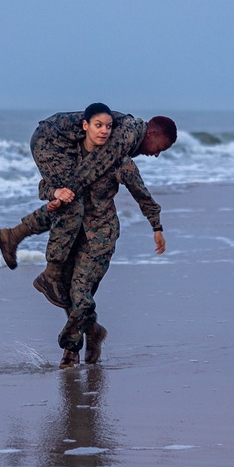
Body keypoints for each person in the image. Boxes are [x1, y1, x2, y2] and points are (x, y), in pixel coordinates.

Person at [0, 103, 177, 306]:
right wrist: (57, 194)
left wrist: (58, 195)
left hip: (61, 144)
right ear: (151, 133)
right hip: (50, 142)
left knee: (70, 200)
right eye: (160, 148)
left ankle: (12, 236)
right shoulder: (127, 137)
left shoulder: (132, 138)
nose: (157, 154)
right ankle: (50, 276)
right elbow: (92, 166)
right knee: (72, 204)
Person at [57, 150, 165, 368]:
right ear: (86, 126)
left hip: (100, 237)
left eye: (107, 126)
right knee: (68, 293)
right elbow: (46, 186)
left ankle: (70, 350)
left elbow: (141, 193)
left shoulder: (118, 160)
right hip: (69, 234)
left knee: (80, 291)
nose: (103, 130)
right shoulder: (67, 156)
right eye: (98, 125)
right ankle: (93, 331)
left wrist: (156, 226)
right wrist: (54, 193)